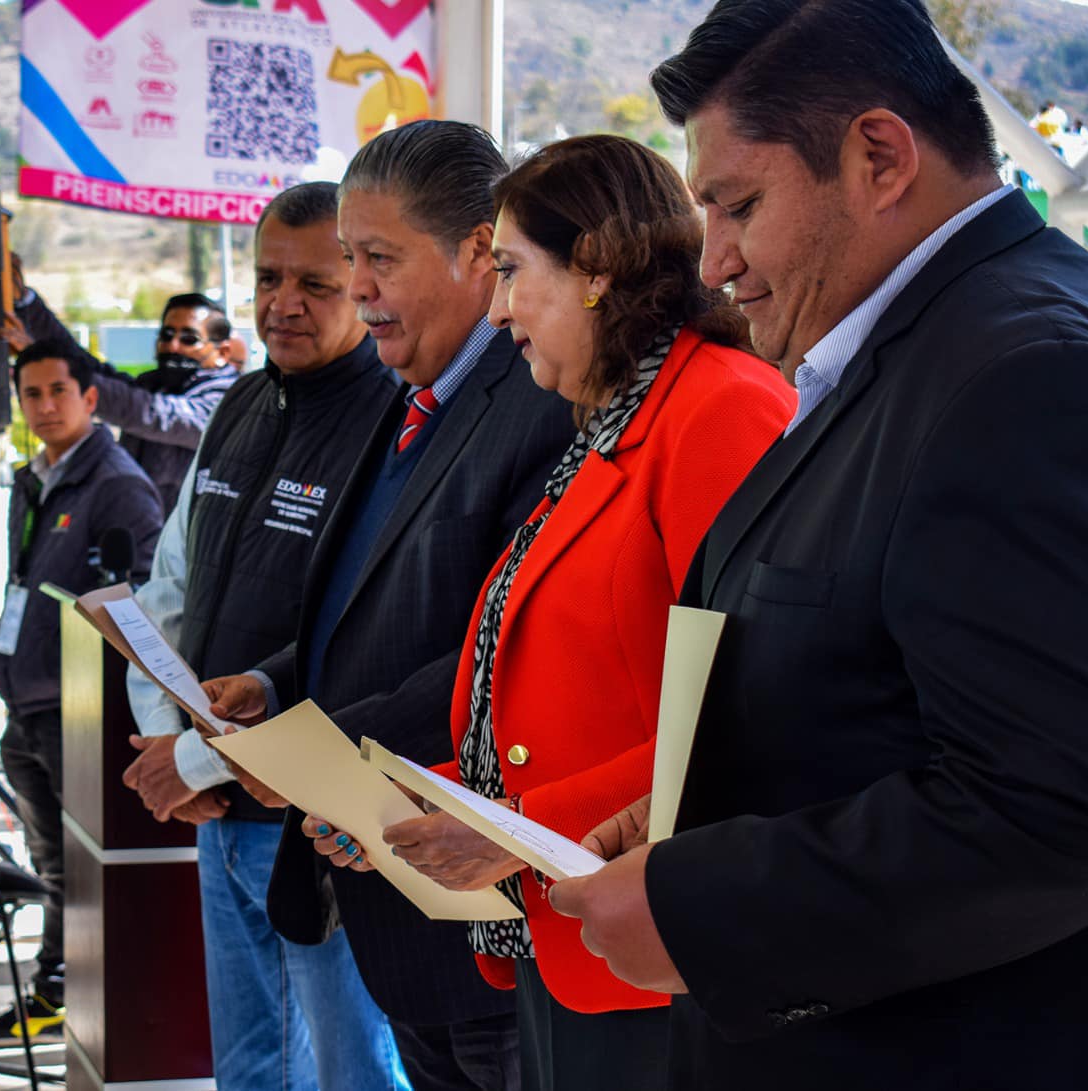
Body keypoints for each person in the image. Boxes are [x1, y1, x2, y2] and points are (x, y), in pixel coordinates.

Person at [546, 2, 1088, 1088]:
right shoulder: (920, 344)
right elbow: (876, 698)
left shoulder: (1028, 374)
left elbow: (1067, 804)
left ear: (877, 156)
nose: (712, 261)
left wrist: (704, 901)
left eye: (738, 205)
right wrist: (689, 806)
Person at [351, 135, 790, 1091]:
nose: (500, 307)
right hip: (567, 931)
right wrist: (431, 800)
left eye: (511, 271)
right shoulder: (611, 420)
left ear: (594, 270)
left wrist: (510, 825)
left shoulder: (718, 409)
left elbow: (743, 706)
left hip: (653, 947)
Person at [203, 120, 578, 1091]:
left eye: (377, 258)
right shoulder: (406, 392)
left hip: (478, 918)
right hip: (394, 910)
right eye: (347, 260)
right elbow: (369, 602)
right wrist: (273, 680)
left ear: (473, 254)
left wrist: (317, 746)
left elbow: (501, 650)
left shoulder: (535, 402)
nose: (356, 288)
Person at [120, 182, 408, 1090]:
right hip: (218, 815)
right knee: (247, 1067)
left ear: (363, 282)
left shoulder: (392, 418)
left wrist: (198, 762)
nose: (285, 301)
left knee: (354, 1068)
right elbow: (173, 585)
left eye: (316, 283)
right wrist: (173, 741)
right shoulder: (239, 407)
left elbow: (366, 639)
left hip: (321, 825)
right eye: (268, 277)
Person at [0, 340, 163, 1046]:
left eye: (60, 391)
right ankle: (54, 987)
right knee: (48, 860)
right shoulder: (34, 478)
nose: (46, 406)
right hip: (25, 704)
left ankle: (66, 994)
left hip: (73, 709)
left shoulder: (118, 484)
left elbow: (141, 600)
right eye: (32, 394)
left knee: (72, 867)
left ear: (90, 398)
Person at [0, 262, 239, 514]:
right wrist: (27, 303)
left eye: (189, 339)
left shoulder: (227, 402)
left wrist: (44, 362)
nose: (173, 346)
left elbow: (145, 411)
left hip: (186, 548)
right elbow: (89, 368)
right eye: (166, 335)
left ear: (222, 352)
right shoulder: (155, 385)